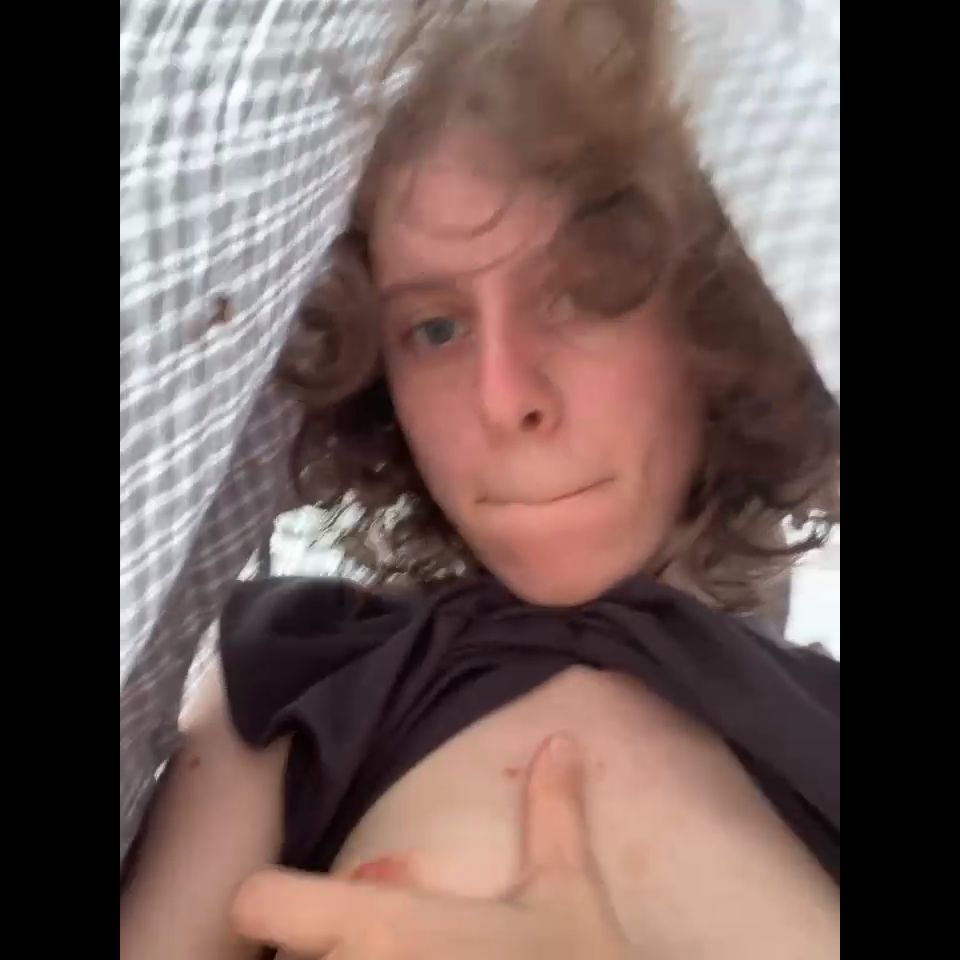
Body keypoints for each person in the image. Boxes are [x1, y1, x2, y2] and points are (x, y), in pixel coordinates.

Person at [120, 1, 840, 957]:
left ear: (718, 324)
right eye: (435, 327)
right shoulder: (293, 671)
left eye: (583, 292)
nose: (504, 399)